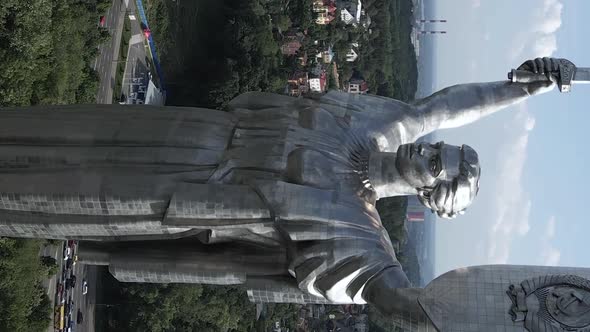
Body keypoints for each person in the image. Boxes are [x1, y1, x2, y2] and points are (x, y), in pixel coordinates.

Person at [0, 58, 561, 312]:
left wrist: (453, 312)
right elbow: (441, 105)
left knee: (48, 189)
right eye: (441, 146)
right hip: (199, 130)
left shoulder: (356, 228)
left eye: (438, 166)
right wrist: (523, 88)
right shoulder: (377, 127)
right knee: (56, 130)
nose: (430, 150)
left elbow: (392, 297)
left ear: (429, 196)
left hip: (174, 194)